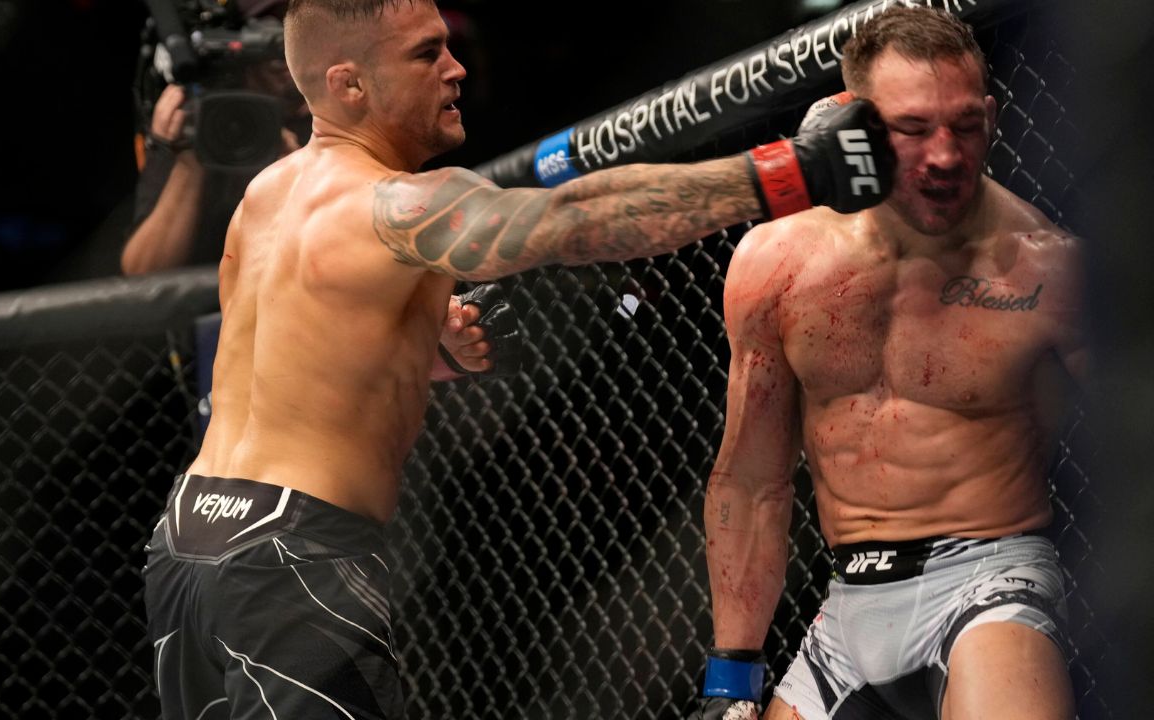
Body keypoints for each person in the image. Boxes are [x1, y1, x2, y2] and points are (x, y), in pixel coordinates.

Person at [141, 0, 894, 718]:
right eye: (425, 52)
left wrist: (431, 356)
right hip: (290, 555)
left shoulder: (267, 194)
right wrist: (789, 172)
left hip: (190, 539)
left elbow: (292, 360)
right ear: (349, 83)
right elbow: (573, 221)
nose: (456, 67)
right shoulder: (396, 206)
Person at [693, 7, 1087, 720]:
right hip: (844, 613)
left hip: (991, 587)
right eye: (912, 129)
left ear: (992, 117)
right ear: (855, 125)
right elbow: (752, 479)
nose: (944, 154)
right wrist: (731, 684)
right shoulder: (776, 264)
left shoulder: (1045, 269)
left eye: (964, 125)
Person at [121, 0, 311, 275]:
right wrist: (192, 162)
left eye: (295, 22)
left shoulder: (341, 113)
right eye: (270, 24)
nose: (284, 41)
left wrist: (301, 174)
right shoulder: (195, 119)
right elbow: (143, 275)